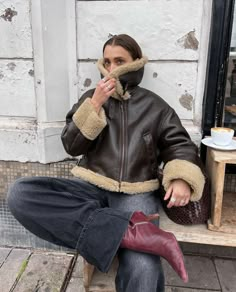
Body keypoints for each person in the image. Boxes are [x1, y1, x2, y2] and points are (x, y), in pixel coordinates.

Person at [7, 34, 205, 292]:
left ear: (136, 62)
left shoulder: (156, 106)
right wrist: (95, 104)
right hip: (90, 187)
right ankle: (129, 232)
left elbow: (180, 144)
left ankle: (126, 233)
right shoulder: (92, 98)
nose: (112, 69)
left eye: (120, 61)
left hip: (136, 193)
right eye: (108, 62)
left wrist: (180, 178)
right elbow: (71, 145)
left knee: (143, 267)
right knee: (20, 194)